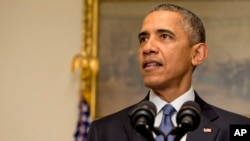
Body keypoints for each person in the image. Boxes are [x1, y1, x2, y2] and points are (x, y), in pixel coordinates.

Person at [86, 3, 250, 141]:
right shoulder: (104, 131)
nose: (148, 47)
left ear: (197, 54)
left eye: (164, 36)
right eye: (143, 39)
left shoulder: (238, 129)